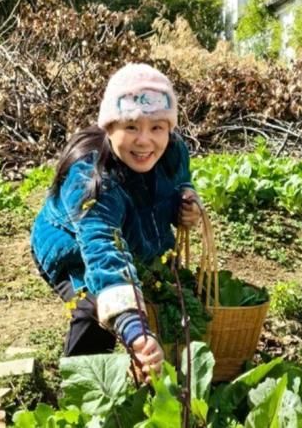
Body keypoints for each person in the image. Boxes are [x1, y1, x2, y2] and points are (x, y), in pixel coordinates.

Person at [30, 62, 201, 382]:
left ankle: (142, 373)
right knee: (94, 306)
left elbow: (180, 180)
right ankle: (84, 389)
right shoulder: (91, 179)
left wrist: (187, 199)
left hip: (136, 240)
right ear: (109, 128)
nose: (145, 141)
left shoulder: (173, 151)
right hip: (73, 249)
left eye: (157, 128)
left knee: (161, 298)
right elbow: (104, 253)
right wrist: (137, 334)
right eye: (132, 127)